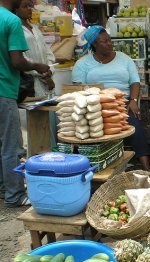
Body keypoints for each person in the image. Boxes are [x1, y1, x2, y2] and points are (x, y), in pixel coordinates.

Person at [72, 26, 150, 172]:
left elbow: (135, 82)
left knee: (136, 127)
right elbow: (78, 89)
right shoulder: (82, 64)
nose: (109, 43)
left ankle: (147, 167)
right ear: (94, 44)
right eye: (104, 41)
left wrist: (133, 100)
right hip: (95, 104)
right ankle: (92, 167)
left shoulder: (124, 59)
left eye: (109, 40)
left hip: (122, 103)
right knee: (87, 129)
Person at [0, 0, 50, 207]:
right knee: (12, 145)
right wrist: (37, 66)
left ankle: (4, 188)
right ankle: (15, 195)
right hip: (4, 89)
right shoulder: (11, 21)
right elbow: (17, 61)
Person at [16, 0, 55, 97]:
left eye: (29, 6)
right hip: (29, 81)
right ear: (16, 10)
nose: (29, 9)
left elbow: (48, 53)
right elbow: (21, 58)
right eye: (25, 7)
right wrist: (42, 74)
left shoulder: (35, 28)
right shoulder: (17, 30)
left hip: (46, 79)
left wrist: (49, 71)